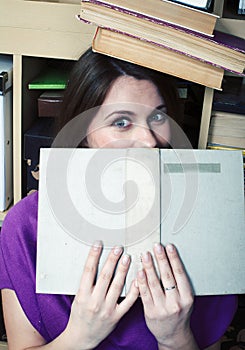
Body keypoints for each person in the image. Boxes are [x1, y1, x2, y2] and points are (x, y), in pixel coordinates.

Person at [0, 48, 237, 350]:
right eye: (121, 122)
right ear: (83, 132)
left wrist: (175, 338)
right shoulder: (25, 228)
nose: (150, 141)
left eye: (158, 116)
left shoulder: (205, 221)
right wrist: (81, 335)